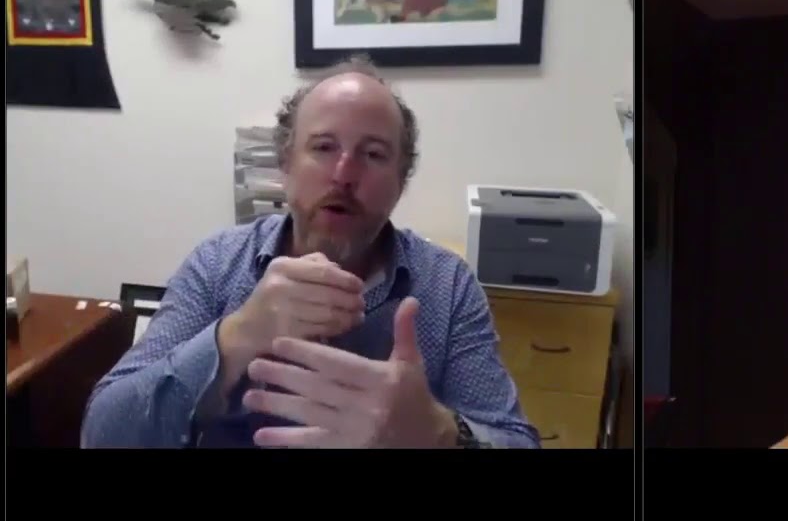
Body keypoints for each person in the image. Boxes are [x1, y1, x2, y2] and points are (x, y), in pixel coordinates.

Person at [82, 54, 541, 448]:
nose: (344, 174)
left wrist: (439, 433)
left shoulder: (447, 286)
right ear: (286, 165)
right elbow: (102, 433)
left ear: (401, 182)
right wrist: (236, 337)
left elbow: (515, 438)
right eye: (323, 147)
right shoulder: (218, 264)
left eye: (374, 154)